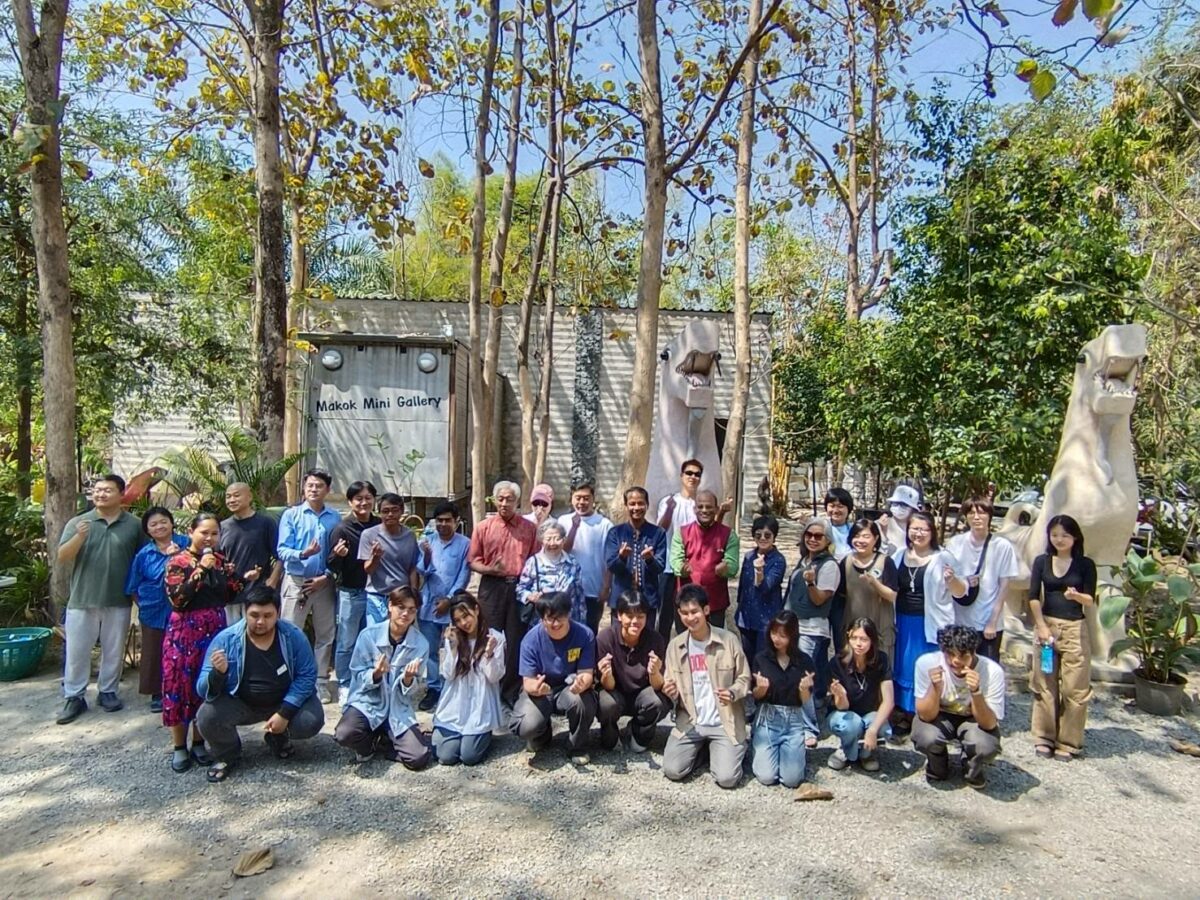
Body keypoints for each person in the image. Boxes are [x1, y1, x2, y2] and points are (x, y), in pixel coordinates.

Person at [196, 584, 326, 783]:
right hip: (242, 703)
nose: (260, 622)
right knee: (206, 716)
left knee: (311, 720)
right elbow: (202, 689)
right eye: (254, 615)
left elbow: (307, 675)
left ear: (278, 613)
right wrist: (217, 674)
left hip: (282, 700)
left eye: (268, 616)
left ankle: (278, 736)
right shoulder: (226, 640)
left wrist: (285, 713)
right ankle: (227, 753)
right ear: (245, 612)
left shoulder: (293, 636)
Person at [163, 512, 259, 772]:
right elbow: (177, 599)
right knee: (179, 685)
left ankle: (198, 742)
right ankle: (179, 746)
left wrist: (242, 579)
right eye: (204, 532)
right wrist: (202, 568)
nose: (209, 538)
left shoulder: (220, 560)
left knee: (206, 683)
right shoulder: (177, 561)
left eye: (214, 533)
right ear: (191, 532)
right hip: (184, 631)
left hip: (214, 627)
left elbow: (226, 594)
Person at [55, 474, 147, 725]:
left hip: (119, 599)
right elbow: (63, 556)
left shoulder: (134, 525)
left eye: (107, 490)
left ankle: (108, 691)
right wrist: (79, 537)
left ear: (121, 494)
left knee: (114, 650)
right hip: (82, 599)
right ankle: (74, 696)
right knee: (77, 651)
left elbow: (144, 558)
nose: (100, 494)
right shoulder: (79, 522)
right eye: (97, 490)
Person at [662, 584, 750, 789]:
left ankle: (728, 749)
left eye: (695, 612)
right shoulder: (675, 646)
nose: (690, 618)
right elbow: (669, 682)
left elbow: (745, 678)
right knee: (673, 770)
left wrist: (733, 692)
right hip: (691, 722)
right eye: (684, 613)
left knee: (727, 779)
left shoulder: (729, 640)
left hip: (724, 722)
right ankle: (704, 751)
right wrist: (671, 691)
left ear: (706, 610)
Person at [334, 586, 432, 769]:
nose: (406, 614)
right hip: (368, 702)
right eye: (401, 607)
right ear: (390, 606)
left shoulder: (421, 644)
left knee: (418, 758)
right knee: (344, 734)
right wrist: (376, 674)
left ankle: (388, 741)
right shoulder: (368, 636)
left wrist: (408, 679)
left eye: (412, 610)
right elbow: (357, 674)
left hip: (397, 707)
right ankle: (369, 745)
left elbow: (414, 688)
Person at [889, 511, 966, 740]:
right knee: (903, 667)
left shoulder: (943, 557)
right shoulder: (899, 555)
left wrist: (952, 580)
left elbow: (962, 592)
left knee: (926, 667)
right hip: (903, 620)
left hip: (931, 623)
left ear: (932, 532)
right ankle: (904, 713)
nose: (918, 533)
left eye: (924, 529)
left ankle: (926, 714)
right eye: (914, 528)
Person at [1028, 514, 1097, 762]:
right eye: (1055, 534)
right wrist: (1041, 626)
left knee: (1074, 688)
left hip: (1074, 629)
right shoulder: (1042, 561)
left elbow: (1090, 599)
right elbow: (1033, 596)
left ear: (1075, 537)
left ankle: (1068, 742)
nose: (1059, 539)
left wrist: (1076, 596)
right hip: (1046, 627)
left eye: (1065, 535)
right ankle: (1044, 737)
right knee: (1044, 683)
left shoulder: (1085, 564)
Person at [468, 480, 539, 703]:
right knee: (488, 636)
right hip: (491, 586)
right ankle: (486, 688)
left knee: (516, 639)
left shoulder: (529, 528)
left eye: (509, 499)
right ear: (494, 500)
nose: (504, 503)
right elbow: (472, 560)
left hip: (519, 587)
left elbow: (535, 559)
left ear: (517, 502)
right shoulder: (483, 527)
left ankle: (509, 691)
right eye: (500, 499)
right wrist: (490, 569)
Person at [276, 468, 342, 704]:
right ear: (304, 488)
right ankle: (292, 681)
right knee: (290, 632)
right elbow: (282, 550)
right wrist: (304, 553)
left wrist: (327, 575)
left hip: (324, 582)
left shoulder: (335, 517)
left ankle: (321, 681)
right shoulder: (291, 515)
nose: (314, 489)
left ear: (328, 489)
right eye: (310, 485)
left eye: (319, 486)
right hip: (297, 581)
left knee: (325, 633)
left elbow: (337, 554)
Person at [913, 625, 1004, 788]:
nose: (955, 660)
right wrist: (935, 688)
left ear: (974, 652)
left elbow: (989, 724)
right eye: (950, 654)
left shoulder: (992, 671)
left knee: (986, 746)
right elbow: (925, 716)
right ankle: (937, 762)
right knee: (924, 737)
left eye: (962, 655)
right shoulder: (927, 663)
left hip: (973, 719)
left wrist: (976, 692)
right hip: (939, 716)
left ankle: (971, 766)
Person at [512, 591, 597, 764]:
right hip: (542, 690)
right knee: (526, 724)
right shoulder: (530, 640)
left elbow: (586, 673)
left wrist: (582, 683)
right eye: (550, 619)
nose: (555, 623)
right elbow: (528, 681)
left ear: (569, 614)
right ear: (542, 619)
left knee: (582, 701)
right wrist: (536, 688)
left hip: (569, 687)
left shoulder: (585, 635)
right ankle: (542, 735)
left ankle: (577, 746)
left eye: (560, 618)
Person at [783, 517, 841, 746]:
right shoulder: (804, 560)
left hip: (811, 628)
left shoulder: (829, 566)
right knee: (804, 673)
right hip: (793, 626)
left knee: (802, 675)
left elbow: (820, 599)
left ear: (828, 541)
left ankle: (809, 728)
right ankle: (799, 716)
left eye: (818, 536)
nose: (813, 539)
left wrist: (810, 583)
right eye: (809, 534)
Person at [124, 506, 186, 713]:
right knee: (153, 652)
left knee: (183, 649)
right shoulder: (144, 555)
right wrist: (144, 605)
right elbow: (132, 586)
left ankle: (183, 689)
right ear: (147, 530)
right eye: (153, 524)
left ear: (172, 523)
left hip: (184, 609)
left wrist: (178, 556)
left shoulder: (186, 544)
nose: (159, 526)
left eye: (163, 521)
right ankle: (157, 693)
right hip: (152, 611)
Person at [432, 592, 506, 766]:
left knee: (469, 757)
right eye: (458, 620)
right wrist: (453, 648)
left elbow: (494, 677)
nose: (464, 623)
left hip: (480, 706)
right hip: (455, 705)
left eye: (466, 616)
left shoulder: (495, 637)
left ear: (476, 610)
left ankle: (483, 735)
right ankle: (453, 735)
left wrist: (489, 654)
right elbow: (448, 674)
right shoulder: (453, 638)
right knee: (445, 756)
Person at [946, 495, 1020, 662]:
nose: (976, 517)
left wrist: (993, 621)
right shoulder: (955, 543)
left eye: (981, 513)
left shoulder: (1002, 546)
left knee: (987, 668)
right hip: (960, 621)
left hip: (988, 622)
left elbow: (1004, 586)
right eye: (971, 513)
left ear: (989, 516)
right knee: (959, 667)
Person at [596, 591, 671, 753]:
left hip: (642, 695)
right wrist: (607, 674)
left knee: (658, 702)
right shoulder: (605, 638)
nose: (635, 622)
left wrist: (654, 672)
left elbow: (658, 686)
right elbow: (608, 687)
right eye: (629, 616)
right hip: (615, 692)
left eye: (640, 616)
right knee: (606, 703)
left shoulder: (655, 639)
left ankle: (638, 732)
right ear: (619, 615)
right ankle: (610, 734)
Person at [327, 480, 380, 708]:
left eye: (368, 498)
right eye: (358, 499)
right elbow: (331, 565)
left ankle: (367, 682)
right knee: (346, 642)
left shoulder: (379, 525)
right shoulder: (342, 528)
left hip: (376, 592)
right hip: (350, 592)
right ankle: (345, 683)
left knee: (372, 640)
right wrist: (338, 555)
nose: (364, 503)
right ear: (350, 502)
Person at [750, 611, 816, 788]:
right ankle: (760, 748)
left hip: (793, 720)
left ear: (793, 636)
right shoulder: (761, 658)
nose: (776, 639)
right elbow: (755, 696)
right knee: (766, 777)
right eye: (773, 633)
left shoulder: (804, 661)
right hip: (768, 718)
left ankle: (795, 752)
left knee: (791, 780)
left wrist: (804, 689)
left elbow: (804, 700)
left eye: (782, 635)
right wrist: (761, 689)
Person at [416, 501, 472, 713]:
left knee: (454, 646)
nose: (443, 524)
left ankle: (455, 685)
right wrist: (427, 557)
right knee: (429, 649)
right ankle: (434, 688)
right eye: (439, 520)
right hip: (429, 604)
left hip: (453, 605)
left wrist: (449, 599)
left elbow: (464, 575)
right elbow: (422, 572)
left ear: (456, 522)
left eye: (447, 520)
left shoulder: (465, 544)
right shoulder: (427, 541)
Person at [828, 617, 895, 772]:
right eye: (854, 638)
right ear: (848, 637)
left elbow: (889, 701)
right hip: (844, 714)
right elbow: (842, 707)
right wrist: (841, 695)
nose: (858, 644)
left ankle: (866, 753)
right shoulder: (838, 662)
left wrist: (872, 730)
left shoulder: (881, 660)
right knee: (851, 725)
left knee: (884, 728)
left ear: (872, 640)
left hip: (870, 713)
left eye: (864, 639)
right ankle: (846, 750)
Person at [670, 490, 740, 629]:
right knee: (685, 640)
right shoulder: (681, 533)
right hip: (686, 604)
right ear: (694, 509)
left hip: (715, 603)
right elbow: (675, 562)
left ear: (716, 509)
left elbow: (733, 566)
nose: (704, 510)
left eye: (709, 507)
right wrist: (682, 569)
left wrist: (725, 569)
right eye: (700, 506)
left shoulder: (728, 535)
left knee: (714, 641)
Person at [218, 482, 282, 624]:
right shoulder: (223, 526)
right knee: (232, 633)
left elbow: (280, 556)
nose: (232, 500)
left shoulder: (265, 523)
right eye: (228, 496)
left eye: (236, 495)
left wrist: (272, 581)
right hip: (230, 595)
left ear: (249, 497)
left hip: (257, 593)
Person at [604, 486, 668, 626]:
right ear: (626, 506)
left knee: (646, 637)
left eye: (640, 503)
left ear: (647, 505)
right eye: (632, 504)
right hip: (621, 599)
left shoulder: (658, 533)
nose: (636, 508)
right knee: (619, 637)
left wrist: (650, 559)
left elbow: (660, 567)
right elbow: (611, 565)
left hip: (647, 600)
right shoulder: (615, 533)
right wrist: (622, 557)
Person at [655, 459, 702, 639]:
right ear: (681, 476)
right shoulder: (669, 501)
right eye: (689, 473)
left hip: (692, 569)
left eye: (697, 474)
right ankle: (662, 651)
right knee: (664, 615)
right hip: (668, 567)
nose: (693, 477)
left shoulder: (701, 505)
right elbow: (660, 531)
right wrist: (669, 510)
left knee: (689, 614)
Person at [359, 493, 422, 625]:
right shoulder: (369, 535)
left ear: (402, 511)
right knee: (376, 634)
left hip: (402, 596)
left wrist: (414, 593)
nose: (390, 515)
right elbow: (367, 569)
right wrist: (376, 557)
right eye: (385, 511)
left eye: (394, 510)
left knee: (401, 634)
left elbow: (413, 567)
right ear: (379, 513)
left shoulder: (409, 536)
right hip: (377, 596)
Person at [841, 519, 899, 660]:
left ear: (876, 538)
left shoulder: (885, 562)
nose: (860, 540)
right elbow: (841, 595)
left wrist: (874, 583)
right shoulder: (846, 562)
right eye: (856, 536)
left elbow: (892, 595)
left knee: (879, 665)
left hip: (880, 628)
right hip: (854, 630)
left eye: (866, 536)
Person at [735, 515, 788, 670]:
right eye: (758, 535)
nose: (763, 538)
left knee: (763, 661)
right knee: (747, 659)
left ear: (774, 537)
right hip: (746, 618)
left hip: (766, 619)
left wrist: (759, 570)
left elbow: (765, 587)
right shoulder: (749, 556)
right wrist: (739, 609)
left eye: (767, 535)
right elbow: (743, 586)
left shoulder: (778, 560)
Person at [560, 483, 613, 634]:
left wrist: (606, 586)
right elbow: (561, 551)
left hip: (593, 590)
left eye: (586, 498)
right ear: (571, 499)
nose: (581, 502)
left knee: (589, 632)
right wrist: (574, 528)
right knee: (565, 631)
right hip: (566, 589)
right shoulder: (563, 521)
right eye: (578, 498)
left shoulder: (604, 524)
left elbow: (609, 558)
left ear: (593, 499)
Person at [518, 520, 586, 625]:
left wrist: (582, 622)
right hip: (541, 621)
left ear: (564, 540)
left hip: (568, 620)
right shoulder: (533, 562)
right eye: (548, 539)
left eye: (557, 539)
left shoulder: (573, 563)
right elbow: (520, 589)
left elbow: (579, 595)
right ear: (542, 541)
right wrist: (530, 596)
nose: (552, 543)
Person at [877, 483, 922, 557]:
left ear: (913, 509)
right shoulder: (878, 524)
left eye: (904, 505)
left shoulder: (918, 530)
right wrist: (883, 532)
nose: (898, 507)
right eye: (895, 503)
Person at [824, 488, 855, 558]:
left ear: (849, 508)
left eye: (840, 506)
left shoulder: (855, 529)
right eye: (832, 506)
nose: (835, 510)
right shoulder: (822, 528)